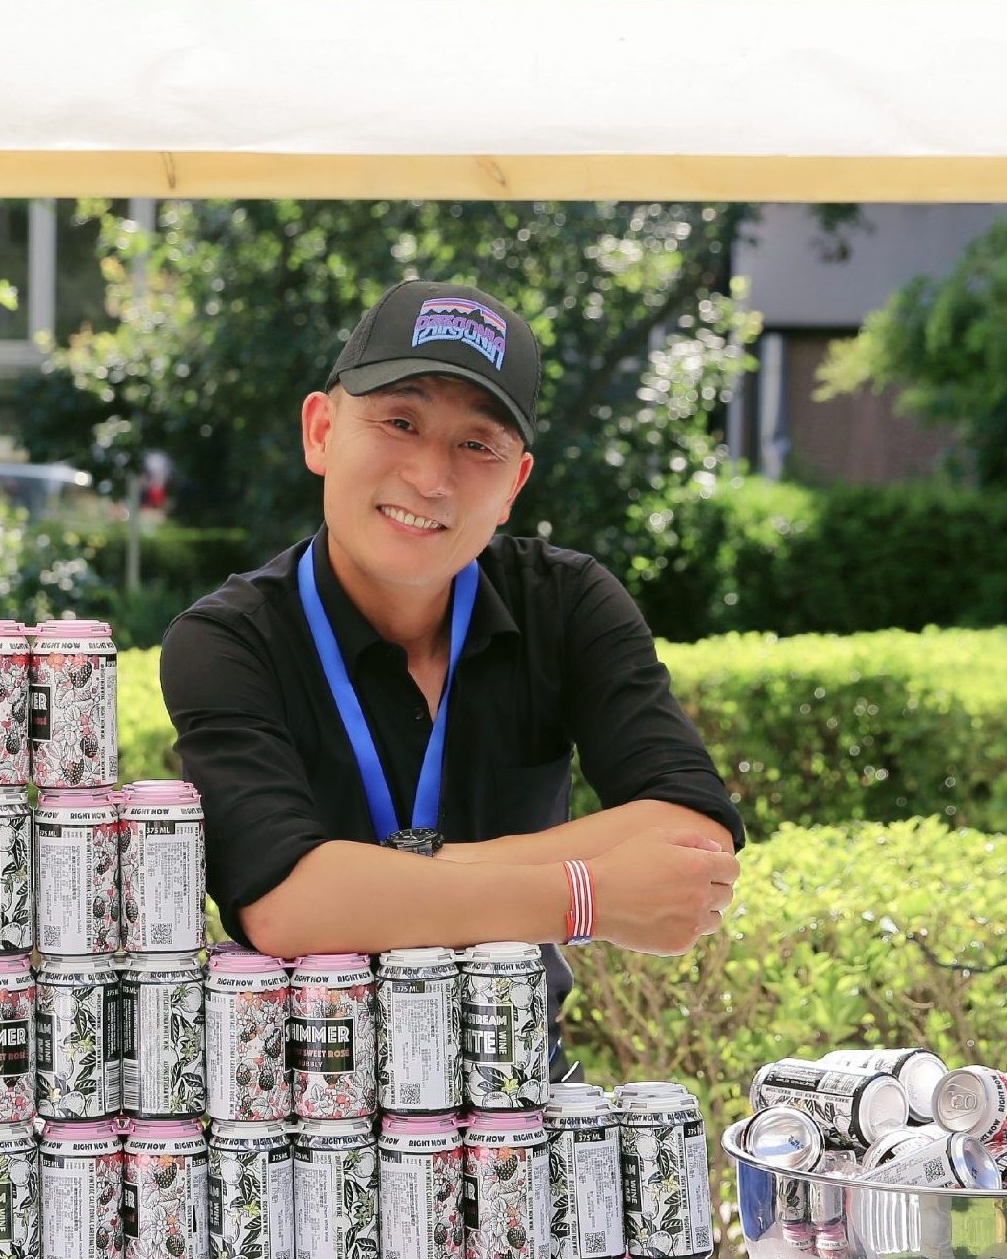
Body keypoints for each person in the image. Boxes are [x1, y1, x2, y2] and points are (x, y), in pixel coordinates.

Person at [157, 280, 743, 1064]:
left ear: (513, 486)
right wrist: (585, 894)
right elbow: (284, 907)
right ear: (321, 431)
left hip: (518, 1093)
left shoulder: (567, 605)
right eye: (400, 422)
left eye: (477, 445)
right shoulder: (229, 642)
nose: (431, 477)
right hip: (307, 1102)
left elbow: (694, 834)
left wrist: (391, 878)